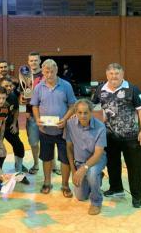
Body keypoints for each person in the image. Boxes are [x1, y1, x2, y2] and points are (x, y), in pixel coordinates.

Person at [92, 63, 141, 208]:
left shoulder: (132, 89)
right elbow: (89, 105)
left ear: (122, 74)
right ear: (106, 75)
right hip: (110, 136)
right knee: (113, 165)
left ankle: (136, 196)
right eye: (111, 73)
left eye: (116, 73)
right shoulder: (101, 89)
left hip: (130, 136)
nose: (113, 76)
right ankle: (116, 188)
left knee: (134, 167)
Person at [31, 59, 76, 195]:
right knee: (46, 158)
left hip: (63, 130)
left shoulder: (66, 86)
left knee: (65, 159)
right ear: (43, 72)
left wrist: (65, 119)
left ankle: (65, 185)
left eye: (52, 71)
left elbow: (72, 105)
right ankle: (47, 183)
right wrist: (38, 119)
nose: (49, 74)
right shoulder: (38, 87)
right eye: (46, 72)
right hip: (45, 131)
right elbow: (35, 105)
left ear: (57, 71)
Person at [66, 99, 107, 215]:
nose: (83, 116)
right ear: (75, 112)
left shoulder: (100, 127)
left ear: (91, 112)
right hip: (79, 161)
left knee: (92, 173)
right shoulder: (70, 124)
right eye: (79, 112)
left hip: (96, 160)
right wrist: (74, 170)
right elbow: (69, 148)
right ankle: (96, 179)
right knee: (80, 196)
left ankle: (96, 202)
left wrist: (84, 168)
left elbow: (98, 153)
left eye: (86, 113)